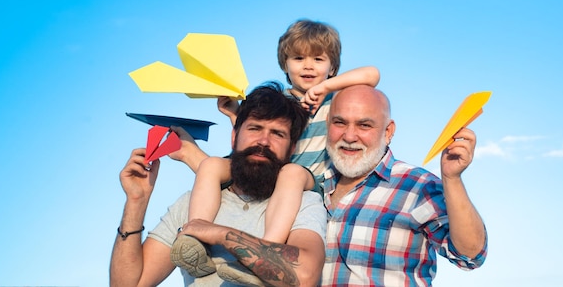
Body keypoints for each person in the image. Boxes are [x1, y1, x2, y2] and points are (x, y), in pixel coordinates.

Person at [177, 19, 379, 280]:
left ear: (332, 68)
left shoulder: (334, 99)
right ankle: (195, 237)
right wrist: (235, 113)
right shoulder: (279, 99)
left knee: (291, 172)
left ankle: (263, 253)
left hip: (305, 178)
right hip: (267, 171)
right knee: (211, 165)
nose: (308, 65)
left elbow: (372, 74)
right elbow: (258, 137)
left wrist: (325, 87)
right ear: (285, 64)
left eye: (318, 59)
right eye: (298, 58)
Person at [109, 82, 327, 287]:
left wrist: (219, 234)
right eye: (254, 128)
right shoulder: (193, 202)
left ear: (292, 149)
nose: (263, 141)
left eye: (277, 134)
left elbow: (305, 276)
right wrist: (137, 200)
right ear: (234, 137)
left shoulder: (303, 203)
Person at [320, 85, 488, 286]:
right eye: (340, 122)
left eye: (364, 125)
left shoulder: (418, 185)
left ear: (388, 131)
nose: (349, 136)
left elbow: (470, 255)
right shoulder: (313, 184)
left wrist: (452, 179)